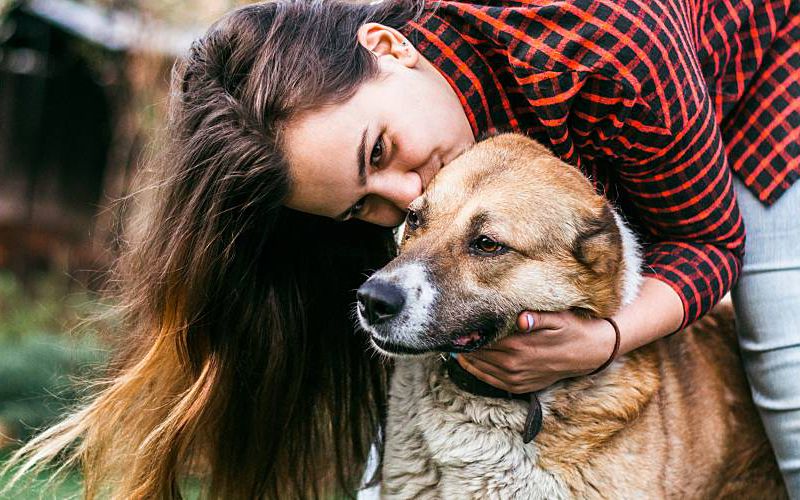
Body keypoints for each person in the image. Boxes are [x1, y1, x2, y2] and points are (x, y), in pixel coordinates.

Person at [3, 0, 798, 498]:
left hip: (760, 100)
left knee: (787, 383)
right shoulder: (427, 157)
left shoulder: (604, 37)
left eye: (380, 151)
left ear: (389, 45)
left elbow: (707, 238)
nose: (405, 197)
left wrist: (601, 339)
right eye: (365, 206)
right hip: (625, 133)